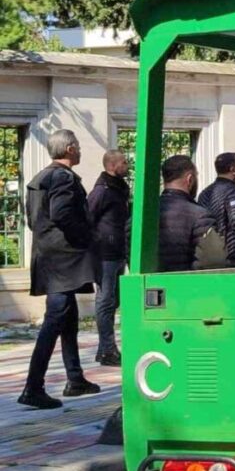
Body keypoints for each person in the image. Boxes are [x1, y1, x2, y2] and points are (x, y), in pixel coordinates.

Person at [19, 129, 101, 410]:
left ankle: (75, 379)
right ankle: (33, 387)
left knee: (69, 318)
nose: (80, 150)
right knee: (55, 319)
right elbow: (63, 213)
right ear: (68, 149)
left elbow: (31, 219)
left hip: (49, 255)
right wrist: (85, 237)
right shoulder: (63, 178)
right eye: (77, 146)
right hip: (65, 258)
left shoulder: (39, 177)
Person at [87, 150, 130, 367]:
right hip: (104, 254)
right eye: (124, 162)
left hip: (118, 253)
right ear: (112, 165)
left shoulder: (120, 189)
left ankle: (105, 348)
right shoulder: (101, 191)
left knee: (114, 301)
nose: (128, 164)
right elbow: (88, 219)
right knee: (105, 301)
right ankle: (107, 349)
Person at [159, 155, 225, 272]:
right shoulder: (200, 216)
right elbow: (214, 263)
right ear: (190, 179)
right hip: (185, 286)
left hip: (147, 287)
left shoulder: (140, 216)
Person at [198, 152, 235, 267]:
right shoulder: (234, 192)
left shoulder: (204, 194)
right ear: (233, 170)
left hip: (209, 257)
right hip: (232, 256)